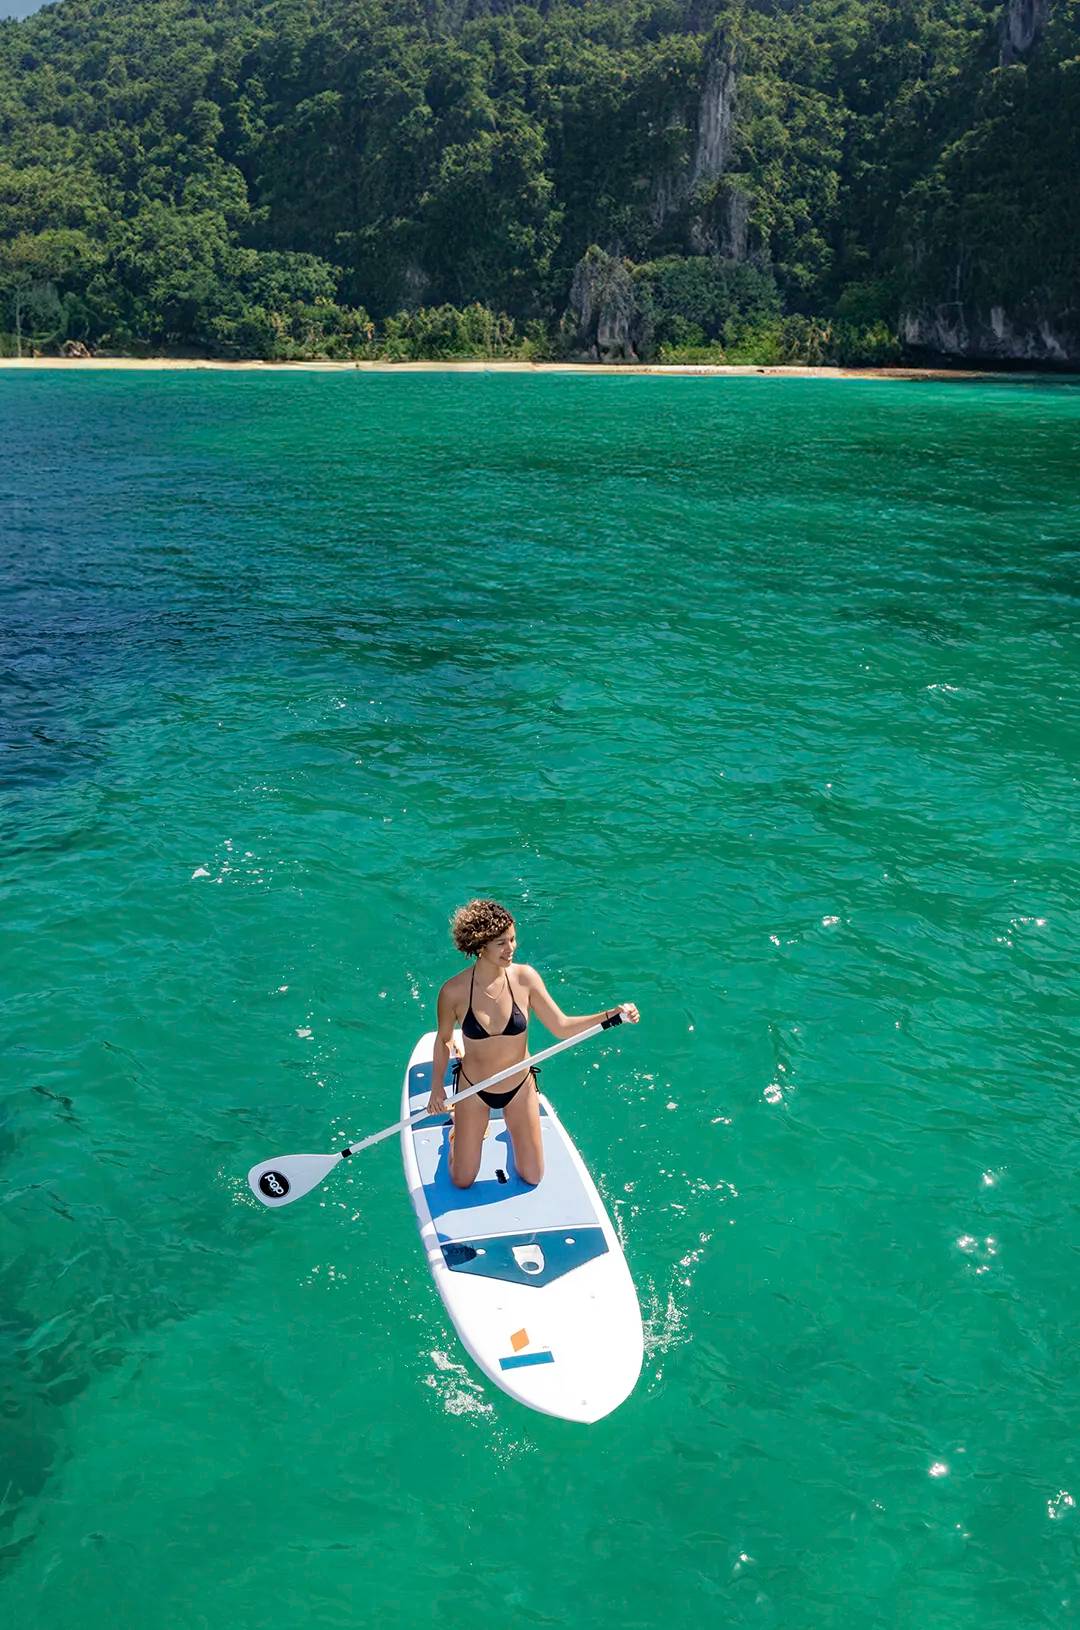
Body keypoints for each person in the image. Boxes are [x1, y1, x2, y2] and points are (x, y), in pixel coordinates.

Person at [427, 899, 639, 1189]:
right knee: (462, 1180)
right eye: (501, 943)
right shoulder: (453, 991)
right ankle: (456, 1135)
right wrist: (437, 1087)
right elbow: (443, 1041)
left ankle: (502, 1130)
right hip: (473, 1090)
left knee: (533, 1175)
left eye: (513, 939)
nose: (510, 948)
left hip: (519, 1087)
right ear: (480, 945)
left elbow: (561, 1027)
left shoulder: (525, 979)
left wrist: (609, 1016)